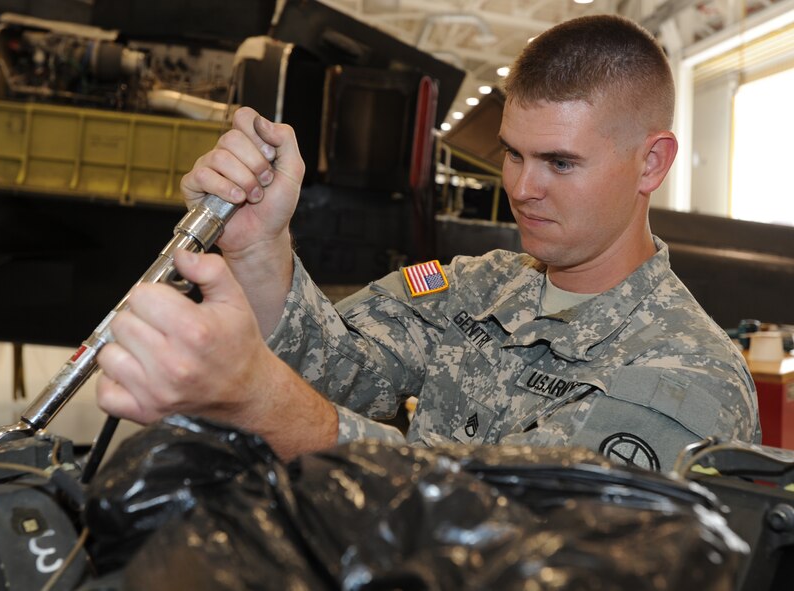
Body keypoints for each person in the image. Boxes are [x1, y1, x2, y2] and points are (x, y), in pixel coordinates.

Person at [95, 14, 760, 472]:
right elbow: (338, 365)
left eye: (560, 162)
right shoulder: (475, 287)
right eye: (513, 154)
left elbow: (510, 531)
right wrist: (260, 244)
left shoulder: (687, 378)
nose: (522, 188)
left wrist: (261, 400)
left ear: (651, 164)